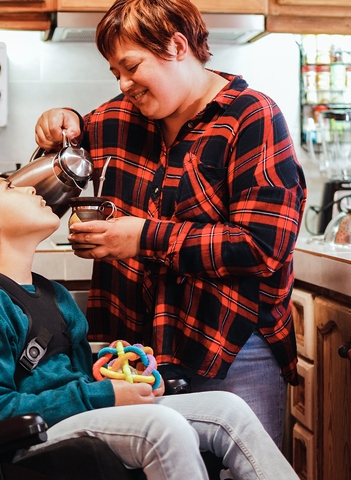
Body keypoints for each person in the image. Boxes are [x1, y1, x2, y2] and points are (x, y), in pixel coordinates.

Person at [33, 0, 306, 446]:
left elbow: (262, 245)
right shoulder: (115, 119)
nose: (124, 84)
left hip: (231, 348)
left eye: (131, 66)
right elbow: (39, 188)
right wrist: (58, 125)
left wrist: (141, 237)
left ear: (177, 46)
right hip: (134, 359)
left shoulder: (251, 117)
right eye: (114, 73)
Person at [0, 167, 298, 480]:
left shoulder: (52, 293)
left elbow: (75, 375)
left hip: (75, 417)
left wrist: (107, 374)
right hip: (23, 441)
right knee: (163, 429)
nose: (28, 186)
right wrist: (104, 395)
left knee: (228, 410)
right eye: (8, 186)